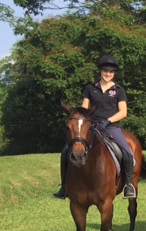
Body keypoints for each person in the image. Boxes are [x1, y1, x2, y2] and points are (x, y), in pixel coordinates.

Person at [53, 55, 137, 199]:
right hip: (91, 126)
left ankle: (128, 185)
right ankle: (64, 187)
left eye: (111, 72)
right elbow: (84, 109)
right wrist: (84, 120)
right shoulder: (90, 88)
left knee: (127, 152)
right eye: (105, 71)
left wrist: (108, 121)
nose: (108, 74)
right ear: (100, 71)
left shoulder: (119, 90)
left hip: (111, 126)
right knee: (65, 151)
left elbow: (123, 112)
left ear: (114, 73)